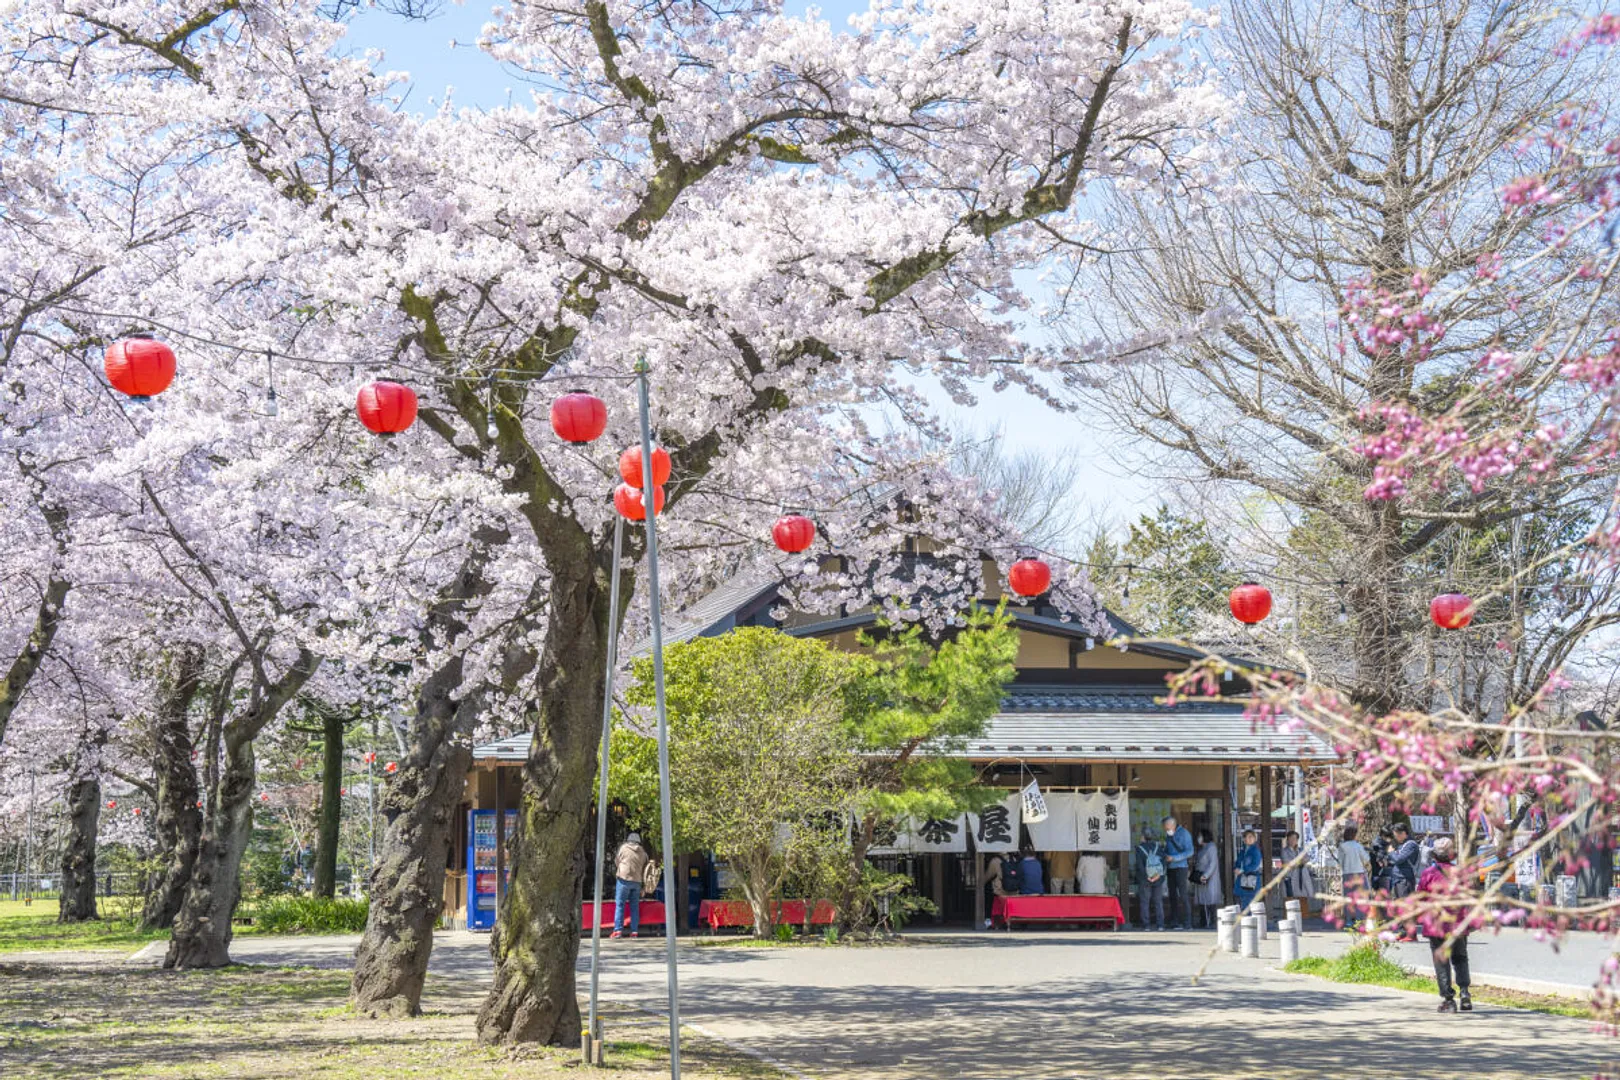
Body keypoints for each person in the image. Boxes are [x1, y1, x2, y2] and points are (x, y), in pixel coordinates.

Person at [1418, 837, 1472, 1013]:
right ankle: (1465, 992)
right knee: (1460, 958)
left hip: (1436, 924)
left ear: (1434, 855)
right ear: (1451, 854)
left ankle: (1449, 999)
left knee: (1442, 961)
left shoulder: (1428, 874)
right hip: (1458, 923)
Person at [611, 832, 650, 939]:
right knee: (634, 907)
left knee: (620, 905)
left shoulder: (623, 848)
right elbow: (645, 868)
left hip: (624, 879)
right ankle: (634, 932)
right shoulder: (643, 852)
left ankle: (618, 931)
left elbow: (616, 861)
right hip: (637, 881)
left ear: (628, 840)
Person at [1162, 815, 1194, 930]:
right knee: (1172, 896)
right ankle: (1174, 921)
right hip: (1170, 867)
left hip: (1181, 867)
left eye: (1165, 826)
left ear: (1172, 824)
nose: (1164, 829)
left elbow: (1190, 851)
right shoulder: (1168, 834)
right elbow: (1168, 849)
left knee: (1183, 894)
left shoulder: (1184, 833)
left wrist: (1174, 858)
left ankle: (1188, 922)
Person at [1133, 826, 1167, 930]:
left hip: (1145, 880)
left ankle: (1146, 925)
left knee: (1145, 902)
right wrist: (1157, 876)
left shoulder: (1139, 849)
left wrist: (1148, 876)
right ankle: (1160, 925)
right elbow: (1163, 863)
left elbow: (1139, 865)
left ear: (1143, 836)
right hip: (1158, 879)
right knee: (1158, 902)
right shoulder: (1158, 847)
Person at [1193, 828, 1223, 928]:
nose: (1199, 838)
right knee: (1203, 901)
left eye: (1200, 836)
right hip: (1201, 877)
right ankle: (1204, 921)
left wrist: (1206, 875)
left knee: (1209, 900)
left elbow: (1213, 863)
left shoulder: (1211, 847)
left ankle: (1209, 921)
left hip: (1208, 878)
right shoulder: (1202, 849)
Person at [1279, 829, 1316, 907]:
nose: (1293, 840)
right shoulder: (1284, 851)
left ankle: (1304, 913)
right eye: (1291, 838)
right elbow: (1288, 862)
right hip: (1291, 876)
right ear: (1287, 840)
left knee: (1303, 896)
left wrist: (1299, 861)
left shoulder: (1300, 849)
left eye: (1295, 839)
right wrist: (1300, 861)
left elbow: (1307, 858)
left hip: (1302, 876)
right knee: (1291, 898)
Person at [1233, 828, 1263, 910]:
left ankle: (1249, 921)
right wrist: (1236, 868)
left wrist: (1242, 870)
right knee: (1242, 901)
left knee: (1250, 901)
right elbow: (1237, 862)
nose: (1247, 839)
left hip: (1251, 878)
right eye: (1245, 837)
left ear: (1255, 839)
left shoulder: (1255, 850)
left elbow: (1255, 865)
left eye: (1250, 837)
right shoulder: (1243, 850)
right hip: (1242, 877)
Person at [983, 851, 1007, 929]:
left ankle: (989, 921)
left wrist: (980, 883)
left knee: (988, 894)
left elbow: (987, 877)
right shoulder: (1014, 858)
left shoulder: (995, 861)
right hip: (1014, 890)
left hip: (999, 890)